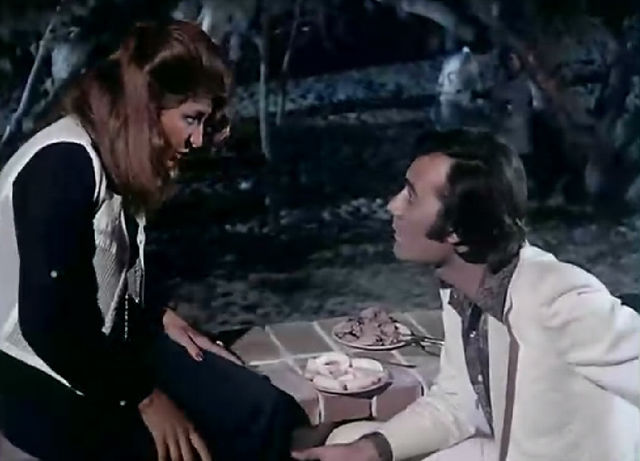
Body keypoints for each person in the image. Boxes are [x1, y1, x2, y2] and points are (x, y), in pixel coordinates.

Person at [0, 20, 307, 461]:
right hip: (32, 374)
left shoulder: (118, 151)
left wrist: (155, 314)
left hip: (101, 346)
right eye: (191, 119)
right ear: (147, 105)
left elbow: (103, 267)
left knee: (262, 409)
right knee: (182, 447)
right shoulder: (64, 163)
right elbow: (47, 325)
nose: (197, 139)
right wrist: (144, 398)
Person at [292, 130, 640, 461]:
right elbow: (456, 403)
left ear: (457, 229)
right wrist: (371, 449)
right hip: (507, 451)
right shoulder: (462, 291)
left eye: (411, 196)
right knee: (349, 441)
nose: (393, 205)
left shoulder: (558, 298)